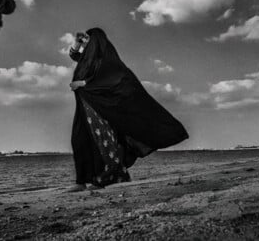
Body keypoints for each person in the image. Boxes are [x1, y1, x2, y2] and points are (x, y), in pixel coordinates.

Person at [68, 28, 188, 191]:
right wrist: (77, 43)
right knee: (79, 139)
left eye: (89, 39)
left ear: (97, 40)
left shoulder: (106, 59)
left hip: (99, 108)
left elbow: (113, 78)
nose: (86, 42)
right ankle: (81, 181)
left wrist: (82, 84)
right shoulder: (89, 59)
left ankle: (107, 178)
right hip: (84, 105)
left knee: (102, 142)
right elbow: (75, 56)